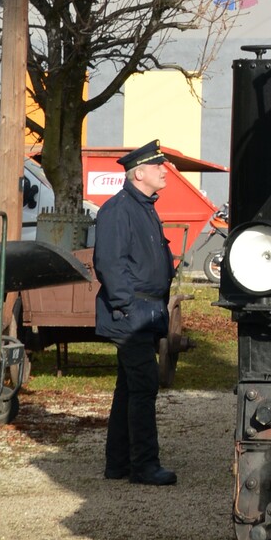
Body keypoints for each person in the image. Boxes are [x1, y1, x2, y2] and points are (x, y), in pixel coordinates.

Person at [94, 139, 177, 486]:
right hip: (132, 314)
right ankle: (144, 465)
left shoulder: (143, 206)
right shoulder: (119, 209)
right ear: (139, 173)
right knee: (143, 386)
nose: (164, 170)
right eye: (158, 166)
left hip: (145, 311)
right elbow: (109, 264)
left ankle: (118, 464)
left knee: (129, 387)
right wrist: (126, 306)